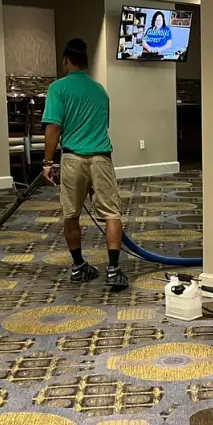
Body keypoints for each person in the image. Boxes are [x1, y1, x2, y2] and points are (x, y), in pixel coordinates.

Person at [42, 38, 129, 289]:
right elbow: (104, 125)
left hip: (72, 159)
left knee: (71, 214)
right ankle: (113, 270)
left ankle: (79, 266)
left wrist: (47, 162)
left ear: (66, 61)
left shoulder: (58, 88)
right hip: (101, 158)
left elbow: (53, 127)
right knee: (112, 213)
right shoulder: (100, 91)